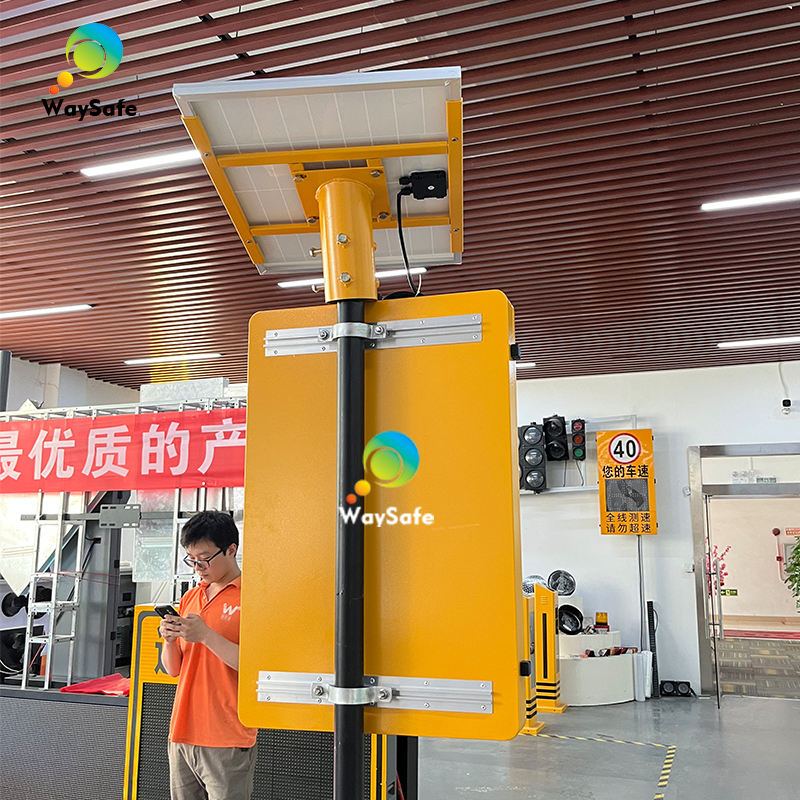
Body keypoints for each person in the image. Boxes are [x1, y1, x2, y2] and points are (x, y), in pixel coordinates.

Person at [159, 510, 257, 800]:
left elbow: (255, 668)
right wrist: (169, 640)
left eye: (204, 558)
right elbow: (173, 669)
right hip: (182, 730)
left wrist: (206, 636)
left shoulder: (254, 597)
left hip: (227, 734)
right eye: (191, 559)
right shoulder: (191, 596)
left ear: (231, 549)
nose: (197, 567)